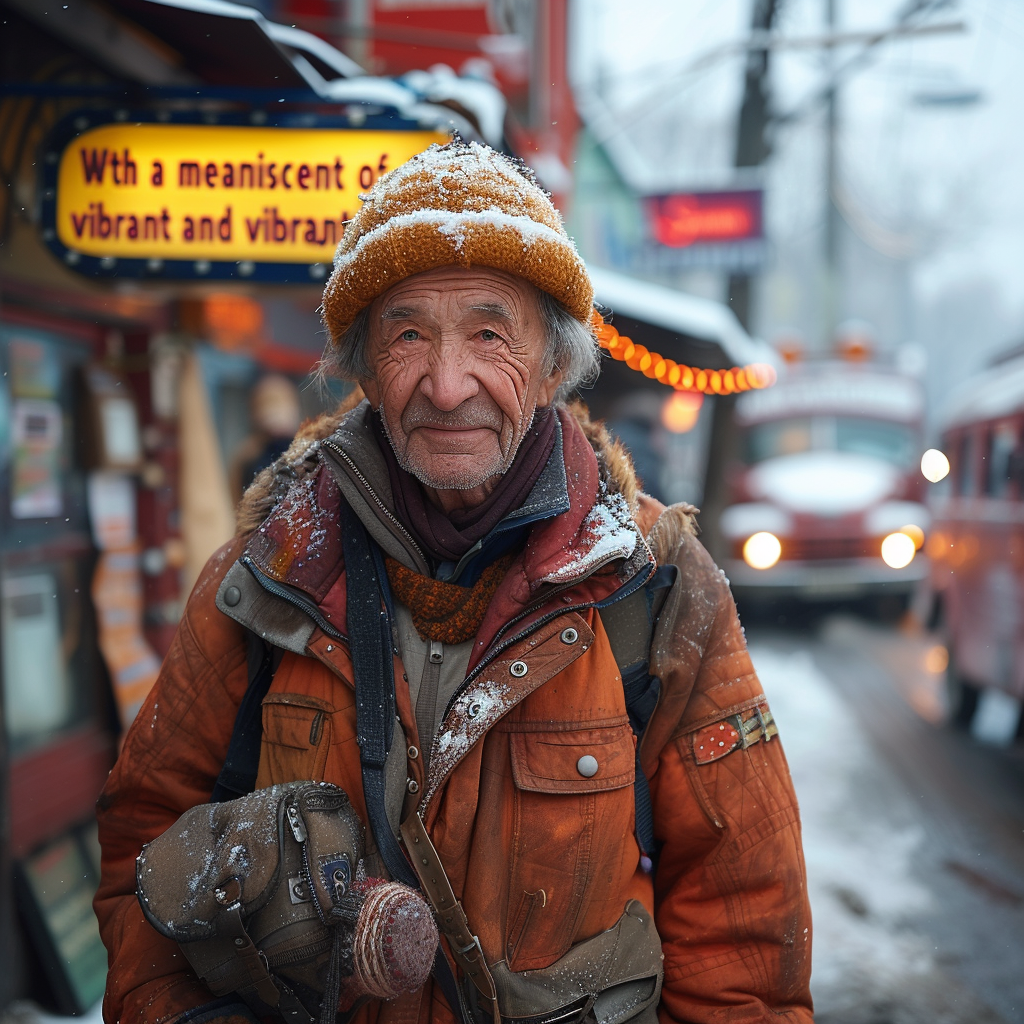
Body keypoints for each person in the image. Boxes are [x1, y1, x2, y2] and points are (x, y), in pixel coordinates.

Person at [95, 140, 813, 1024]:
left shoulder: (657, 588)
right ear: (362, 367)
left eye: (488, 333)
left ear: (553, 364)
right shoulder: (266, 577)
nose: (446, 383)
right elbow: (142, 850)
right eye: (407, 334)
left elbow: (745, 924)